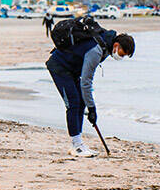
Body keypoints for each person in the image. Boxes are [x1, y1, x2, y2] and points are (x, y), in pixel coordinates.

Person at [45, 25, 135, 157]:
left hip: (72, 70)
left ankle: (78, 144)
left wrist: (88, 103)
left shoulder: (104, 45)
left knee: (81, 102)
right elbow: (86, 81)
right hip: (60, 67)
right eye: (122, 53)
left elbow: (85, 79)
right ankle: (76, 145)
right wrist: (92, 108)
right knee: (73, 103)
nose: (120, 57)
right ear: (116, 45)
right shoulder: (97, 50)